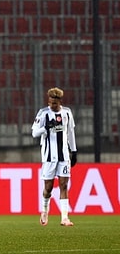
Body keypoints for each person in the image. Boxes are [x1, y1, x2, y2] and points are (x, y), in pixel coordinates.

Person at [31, 87, 77, 227]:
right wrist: (46, 127)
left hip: (63, 155)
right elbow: (34, 133)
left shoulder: (67, 113)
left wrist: (74, 151)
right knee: (48, 187)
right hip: (49, 157)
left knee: (64, 185)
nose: (51, 105)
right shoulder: (43, 113)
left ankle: (64, 218)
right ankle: (44, 210)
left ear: (59, 102)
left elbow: (70, 133)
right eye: (50, 102)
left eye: (54, 103)